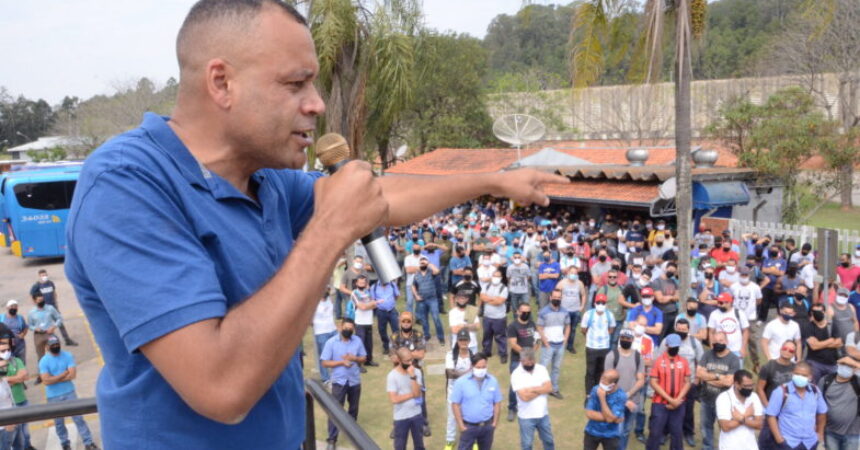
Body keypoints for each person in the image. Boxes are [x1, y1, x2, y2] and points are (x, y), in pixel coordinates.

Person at [64, 3, 564, 447]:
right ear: (221, 83)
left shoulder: (266, 179)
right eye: (295, 83)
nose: (317, 103)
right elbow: (221, 387)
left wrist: (493, 183)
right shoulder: (126, 184)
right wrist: (328, 231)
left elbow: (379, 197)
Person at [39, 335, 98, 450]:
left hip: (69, 392)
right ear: (47, 347)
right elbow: (46, 381)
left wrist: (54, 378)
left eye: (57, 344)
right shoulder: (43, 361)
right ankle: (65, 443)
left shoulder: (67, 355)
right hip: (53, 396)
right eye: (53, 345)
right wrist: (63, 374)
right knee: (59, 422)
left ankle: (88, 442)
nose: (55, 347)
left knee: (78, 418)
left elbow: (72, 375)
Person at [320, 318, 366, 449]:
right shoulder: (331, 343)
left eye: (351, 329)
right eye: (346, 328)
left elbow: (364, 358)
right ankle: (332, 439)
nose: (348, 330)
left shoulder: (357, 341)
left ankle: (353, 435)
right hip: (338, 382)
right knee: (335, 410)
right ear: (340, 327)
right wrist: (341, 363)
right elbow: (324, 362)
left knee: (353, 409)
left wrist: (355, 358)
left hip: (354, 381)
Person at [659, 318, 704, 447]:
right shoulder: (667, 341)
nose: (681, 331)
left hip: (689, 383)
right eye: (679, 329)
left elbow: (701, 362)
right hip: (669, 382)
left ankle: (688, 432)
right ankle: (664, 432)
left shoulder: (695, 343)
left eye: (684, 330)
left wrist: (697, 379)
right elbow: (659, 359)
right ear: (675, 328)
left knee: (688, 410)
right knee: (666, 408)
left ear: (688, 330)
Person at [764, 361, 827, 450]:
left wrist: (820, 434)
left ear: (810, 377)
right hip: (788, 442)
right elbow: (771, 415)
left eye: (804, 375)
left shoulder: (815, 391)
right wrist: (779, 439)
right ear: (792, 374)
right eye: (797, 374)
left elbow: (822, 412)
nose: (800, 377)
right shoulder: (781, 391)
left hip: (810, 443)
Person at [697, 331, 741, 450]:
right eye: (715, 341)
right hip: (706, 399)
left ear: (726, 341)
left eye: (721, 341)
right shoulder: (707, 355)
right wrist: (718, 377)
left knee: (725, 428)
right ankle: (707, 448)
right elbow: (699, 373)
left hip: (725, 402)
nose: (717, 343)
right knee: (706, 427)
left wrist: (708, 377)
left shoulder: (733, 359)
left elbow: (728, 382)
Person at [646, 333, 691, 450]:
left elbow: (687, 382)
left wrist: (677, 400)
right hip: (660, 403)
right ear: (666, 345)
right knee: (655, 432)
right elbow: (653, 382)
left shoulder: (684, 361)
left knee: (677, 433)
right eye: (672, 346)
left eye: (677, 346)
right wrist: (670, 400)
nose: (675, 349)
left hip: (679, 403)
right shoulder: (658, 361)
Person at [450, 352, 503, 450]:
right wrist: (461, 426)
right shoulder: (461, 382)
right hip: (469, 427)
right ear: (472, 366)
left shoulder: (493, 381)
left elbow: (497, 403)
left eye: (484, 367)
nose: (481, 370)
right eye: (478, 367)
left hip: (487, 426)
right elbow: (455, 405)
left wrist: (494, 423)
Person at [603, 329, 645, 450]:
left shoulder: (638, 357)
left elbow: (641, 380)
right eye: (623, 338)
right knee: (617, 431)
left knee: (626, 431)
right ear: (620, 338)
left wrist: (628, 395)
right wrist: (623, 398)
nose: (625, 340)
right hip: (616, 401)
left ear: (632, 340)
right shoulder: (612, 356)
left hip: (633, 401)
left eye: (628, 338)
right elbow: (607, 381)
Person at [510, 348, 555, 450]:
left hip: (543, 414)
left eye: (532, 361)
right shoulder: (516, 374)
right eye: (527, 362)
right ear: (521, 361)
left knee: (548, 441)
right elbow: (524, 397)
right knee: (527, 444)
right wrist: (541, 389)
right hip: (526, 417)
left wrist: (532, 389)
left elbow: (549, 388)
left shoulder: (541, 369)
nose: (530, 364)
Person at [715, 369, 764, 450]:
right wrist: (747, 415)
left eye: (751, 385)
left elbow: (760, 425)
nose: (749, 388)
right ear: (737, 384)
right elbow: (725, 427)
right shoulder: (724, 398)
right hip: (729, 446)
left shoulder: (754, 397)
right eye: (746, 386)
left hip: (750, 446)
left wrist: (741, 418)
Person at [818, 357, 860, 450]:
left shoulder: (857, 382)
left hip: (852, 434)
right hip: (830, 432)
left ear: (855, 369)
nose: (846, 367)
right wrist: (819, 432)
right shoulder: (825, 381)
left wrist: (856, 364)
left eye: (850, 366)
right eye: (843, 364)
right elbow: (818, 407)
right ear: (838, 364)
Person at [387, 347, 425, 450]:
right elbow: (394, 399)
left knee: (420, 445)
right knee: (400, 446)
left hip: (416, 414)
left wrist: (412, 376)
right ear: (399, 360)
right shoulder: (392, 376)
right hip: (401, 417)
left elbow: (418, 394)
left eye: (411, 359)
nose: (410, 363)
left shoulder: (416, 372)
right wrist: (412, 395)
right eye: (407, 361)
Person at [506, 302, 537, 422]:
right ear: (518, 312)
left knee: (529, 382)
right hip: (517, 360)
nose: (526, 314)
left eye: (528, 312)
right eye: (524, 311)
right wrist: (525, 355)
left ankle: (526, 405)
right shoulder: (513, 326)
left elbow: (537, 340)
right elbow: (513, 344)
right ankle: (512, 408)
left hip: (530, 359)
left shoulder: (532, 324)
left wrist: (532, 353)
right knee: (515, 384)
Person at [537, 288, 571, 399]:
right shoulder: (543, 312)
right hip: (548, 345)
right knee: (543, 368)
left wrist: (565, 340)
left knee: (556, 368)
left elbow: (568, 326)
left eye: (559, 298)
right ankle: (541, 388)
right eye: (555, 297)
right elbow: (539, 328)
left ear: (561, 298)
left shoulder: (565, 312)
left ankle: (554, 389)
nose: (557, 299)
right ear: (550, 297)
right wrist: (545, 342)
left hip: (560, 345)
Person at [29, 270, 77, 346]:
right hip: (44, 308)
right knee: (44, 325)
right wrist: (36, 305)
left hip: (52, 306)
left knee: (60, 323)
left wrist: (56, 303)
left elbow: (54, 293)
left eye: (45, 275)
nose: (44, 277)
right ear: (39, 276)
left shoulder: (50, 283)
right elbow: (32, 296)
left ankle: (67, 339)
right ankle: (45, 342)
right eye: (42, 275)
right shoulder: (36, 286)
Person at [582, 293, 617, 395]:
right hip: (591, 347)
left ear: (606, 304)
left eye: (603, 303)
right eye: (598, 302)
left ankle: (598, 390)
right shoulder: (588, 314)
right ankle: (589, 393)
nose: (600, 304)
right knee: (590, 371)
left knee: (601, 370)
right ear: (595, 303)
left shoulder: (609, 315)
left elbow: (612, 328)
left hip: (604, 347)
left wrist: (604, 336)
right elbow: (584, 329)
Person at [583, 369, 627, 450]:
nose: (601, 383)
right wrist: (612, 418)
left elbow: (610, 419)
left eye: (604, 382)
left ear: (612, 385)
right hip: (592, 431)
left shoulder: (621, 396)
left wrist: (602, 398)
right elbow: (589, 413)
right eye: (601, 379)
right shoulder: (595, 389)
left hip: (611, 435)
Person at [444, 330, 474, 449]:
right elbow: (450, 373)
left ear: (469, 341)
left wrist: (467, 373)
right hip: (453, 394)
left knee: (470, 418)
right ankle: (450, 442)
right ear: (457, 341)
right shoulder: (450, 355)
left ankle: (473, 441)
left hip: (469, 394)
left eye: (465, 340)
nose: (463, 342)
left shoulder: (473, 355)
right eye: (461, 340)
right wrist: (468, 372)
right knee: (452, 418)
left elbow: (477, 374)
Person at [0, 339, 30, 450]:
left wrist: (7, 379)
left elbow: (25, 376)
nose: (6, 352)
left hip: (16, 410)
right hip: (4, 424)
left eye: (8, 349)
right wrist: (17, 378)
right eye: (3, 351)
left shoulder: (15, 361)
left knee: (22, 441)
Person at [26, 292, 62, 384]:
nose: (41, 301)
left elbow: (59, 318)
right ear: (34, 301)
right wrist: (35, 328)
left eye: (42, 300)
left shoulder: (50, 308)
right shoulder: (31, 313)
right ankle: (41, 376)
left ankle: (58, 372)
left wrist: (53, 326)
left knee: (55, 351)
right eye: (39, 300)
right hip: (38, 335)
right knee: (40, 356)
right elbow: (30, 325)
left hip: (50, 333)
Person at [803, 302, 842, 383]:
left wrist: (819, 343)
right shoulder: (808, 326)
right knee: (813, 387)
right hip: (814, 363)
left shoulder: (832, 325)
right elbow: (814, 346)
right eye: (814, 312)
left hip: (832, 363)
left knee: (830, 388)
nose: (817, 314)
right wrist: (830, 340)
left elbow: (839, 343)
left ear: (824, 312)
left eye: (819, 311)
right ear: (811, 313)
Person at [707, 292, 749, 364]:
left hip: (736, 350)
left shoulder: (739, 313)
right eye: (718, 302)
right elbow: (711, 332)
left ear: (729, 303)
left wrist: (743, 348)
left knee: (737, 373)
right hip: (719, 349)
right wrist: (712, 348)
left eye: (721, 303)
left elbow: (746, 331)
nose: (718, 305)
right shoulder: (714, 314)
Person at [413, 257, 446, 345]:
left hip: (432, 299)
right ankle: (426, 335)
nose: (422, 264)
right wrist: (416, 296)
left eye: (424, 263)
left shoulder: (431, 272)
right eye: (421, 263)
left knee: (436, 318)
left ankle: (441, 337)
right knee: (424, 319)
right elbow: (413, 286)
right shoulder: (416, 274)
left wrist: (428, 263)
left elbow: (437, 271)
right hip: (421, 300)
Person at [756, 341, 798, 408]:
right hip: (771, 404)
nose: (787, 351)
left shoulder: (796, 368)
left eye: (791, 351)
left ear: (794, 354)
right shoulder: (768, 366)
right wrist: (767, 406)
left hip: (790, 406)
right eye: (785, 348)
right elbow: (759, 388)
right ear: (780, 349)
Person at [349, 275, 378, 371]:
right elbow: (362, 307)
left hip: (368, 321)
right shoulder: (354, 293)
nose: (362, 284)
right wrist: (370, 305)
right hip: (359, 322)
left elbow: (374, 305)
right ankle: (358, 364)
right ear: (356, 283)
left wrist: (368, 305)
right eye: (360, 282)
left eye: (363, 282)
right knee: (359, 343)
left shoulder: (368, 292)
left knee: (369, 343)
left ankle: (368, 360)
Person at [480, 272, 508, 362]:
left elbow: (499, 302)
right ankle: (486, 352)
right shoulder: (486, 286)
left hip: (499, 317)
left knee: (500, 337)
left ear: (501, 277)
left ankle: (503, 354)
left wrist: (488, 299)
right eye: (494, 276)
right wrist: (494, 299)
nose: (496, 278)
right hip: (487, 316)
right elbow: (482, 297)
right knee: (487, 335)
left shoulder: (504, 288)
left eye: (498, 276)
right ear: (491, 277)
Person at [557, 266, 585, 354]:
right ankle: (559, 345)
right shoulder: (562, 283)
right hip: (564, 310)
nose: (573, 275)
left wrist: (582, 306)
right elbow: (555, 294)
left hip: (575, 310)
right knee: (561, 328)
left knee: (573, 329)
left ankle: (570, 346)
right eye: (572, 273)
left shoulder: (580, 283)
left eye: (575, 273)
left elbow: (583, 295)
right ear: (568, 273)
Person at [312, 293, 337, 383]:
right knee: (324, 355)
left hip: (333, 329)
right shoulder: (314, 302)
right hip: (321, 332)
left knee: (337, 352)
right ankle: (325, 378)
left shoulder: (329, 300)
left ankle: (336, 374)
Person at [371, 279, 399, 357]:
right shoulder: (374, 287)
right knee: (382, 330)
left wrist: (391, 302)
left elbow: (397, 295)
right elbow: (373, 300)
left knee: (396, 329)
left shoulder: (393, 285)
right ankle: (386, 346)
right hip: (381, 312)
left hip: (392, 310)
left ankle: (396, 346)